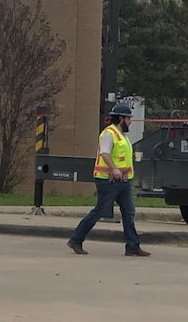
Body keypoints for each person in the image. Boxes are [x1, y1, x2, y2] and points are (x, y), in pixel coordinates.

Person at [66, 101, 150, 257]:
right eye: (128, 118)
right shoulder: (108, 134)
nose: (130, 121)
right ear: (121, 118)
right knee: (99, 211)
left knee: (129, 212)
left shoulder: (122, 136)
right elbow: (104, 153)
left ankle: (132, 246)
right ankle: (76, 240)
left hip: (123, 181)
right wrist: (114, 169)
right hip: (108, 180)